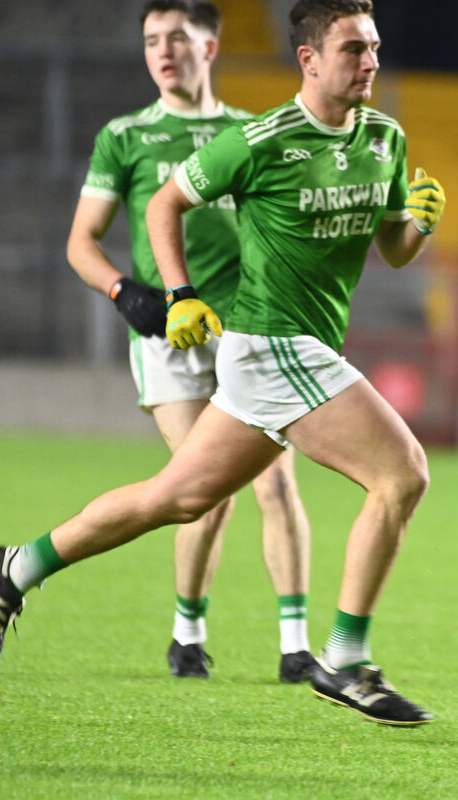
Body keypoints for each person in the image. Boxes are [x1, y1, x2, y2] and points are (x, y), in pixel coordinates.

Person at [0, 0, 445, 727]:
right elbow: (163, 206)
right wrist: (176, 295)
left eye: (374, 47)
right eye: (354, 49)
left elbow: (390, 248)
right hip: (272, 345)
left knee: (175, 499)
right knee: (402, 473)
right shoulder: (261, 139)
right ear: (309, 59)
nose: (371, 62)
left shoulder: (386, 138)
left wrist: (416, 226)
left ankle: (15, 567)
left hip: (292, 352)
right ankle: (347, 662)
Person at [65, 0, 315, 684]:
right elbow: (80, 244)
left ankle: (296, 646)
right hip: (169, 335)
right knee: (198, 488)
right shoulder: (126, 136)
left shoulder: (249, 132)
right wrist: (125, 292)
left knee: (277, 483)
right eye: (151, 40)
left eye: (177, 37)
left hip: (248, 330)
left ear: (210, 46)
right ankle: (188, 632)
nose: (162, 50)